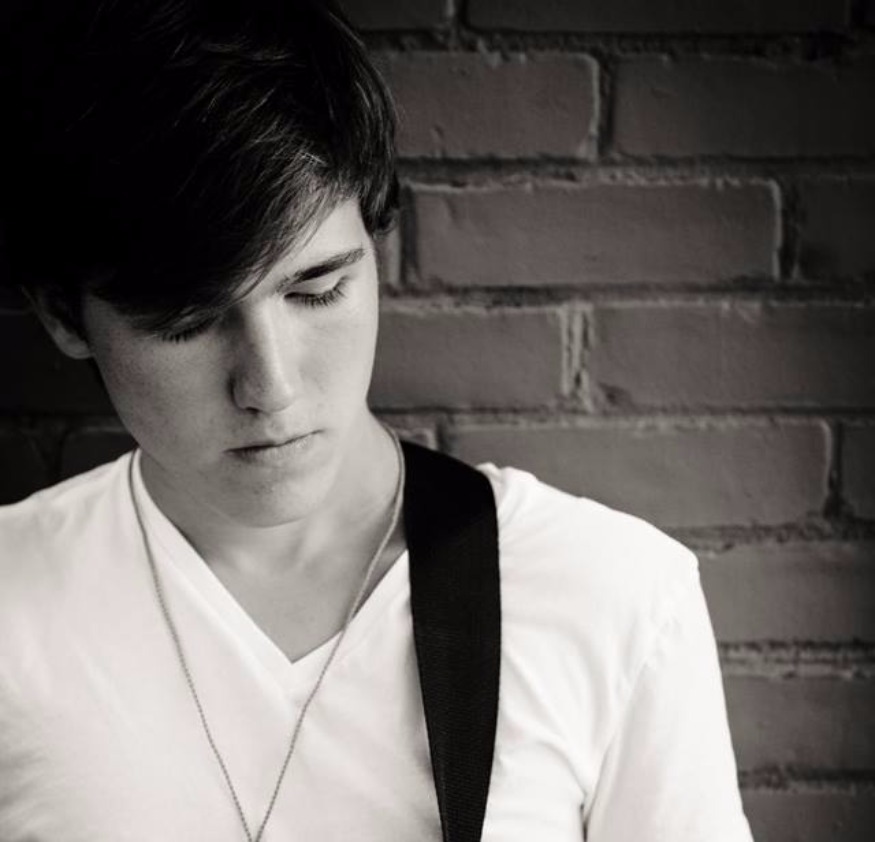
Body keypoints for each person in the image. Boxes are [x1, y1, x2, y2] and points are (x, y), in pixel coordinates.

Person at [0, 1, 754, 840]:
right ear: (63, 315)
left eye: (317, 290)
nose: (272, 386)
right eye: (188, 322)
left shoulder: (612, 594)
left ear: (375, 244)